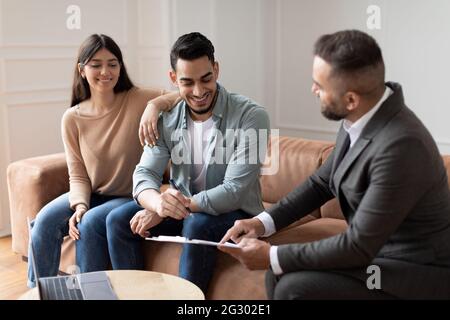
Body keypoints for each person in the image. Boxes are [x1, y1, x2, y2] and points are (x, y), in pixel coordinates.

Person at [219, 29, 450, 300]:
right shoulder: (361, 115)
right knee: (280, 274)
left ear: (351, 99)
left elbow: (358, 245)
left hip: (413, 270)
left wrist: (271, 254)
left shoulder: (401, 147)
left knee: (295, 286)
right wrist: (260, 223)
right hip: (378, 256)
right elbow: (321, 183)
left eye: (320, 85)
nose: (313, 89)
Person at [107, 32, 270, 293]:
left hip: (235, 211)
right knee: (117, 220)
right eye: (187, 82)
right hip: (185, 205)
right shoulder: (165, 118)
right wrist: (158, 203)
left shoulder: (252, 117)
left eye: (206, 79)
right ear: (173, 79)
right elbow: (144, 174)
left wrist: (168, 209)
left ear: (216, 69)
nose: (198, 91)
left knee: (196, 224)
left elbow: (234, 191)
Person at [28, 34, 179, 287]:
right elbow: (77, 174)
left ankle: (92, 293)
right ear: (82, 70)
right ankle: (38, 293)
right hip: (94, 193)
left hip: (129, 195)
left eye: (112, 63)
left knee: (90, 223)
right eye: (96, 64)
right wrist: (79, 205)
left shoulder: (138, 99)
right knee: (43, 221)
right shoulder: (72, 118)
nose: (105, 71)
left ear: (121, 67)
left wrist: (155, 105)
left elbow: (185, 94)